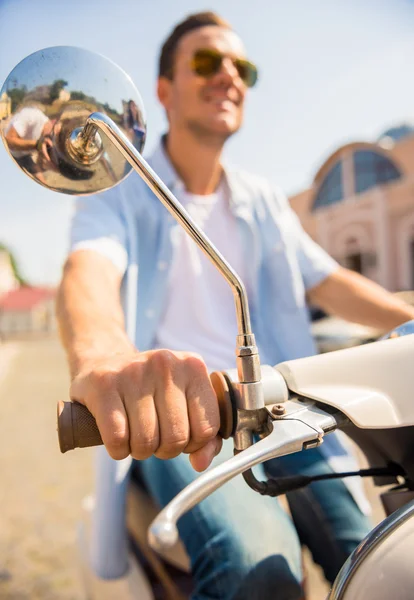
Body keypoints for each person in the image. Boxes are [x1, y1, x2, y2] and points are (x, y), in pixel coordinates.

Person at [56, 11, 414, 600]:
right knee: (259, 569)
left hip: (287, 409)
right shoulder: (123, 190)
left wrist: (408, 321)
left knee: (382, 554)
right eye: (206, 62)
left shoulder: (263, 198)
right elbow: (86, 270)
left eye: (241, 66)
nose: (229, 76)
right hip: (188, 418)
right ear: (164, 92)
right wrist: (105, 357)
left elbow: (328, 282)